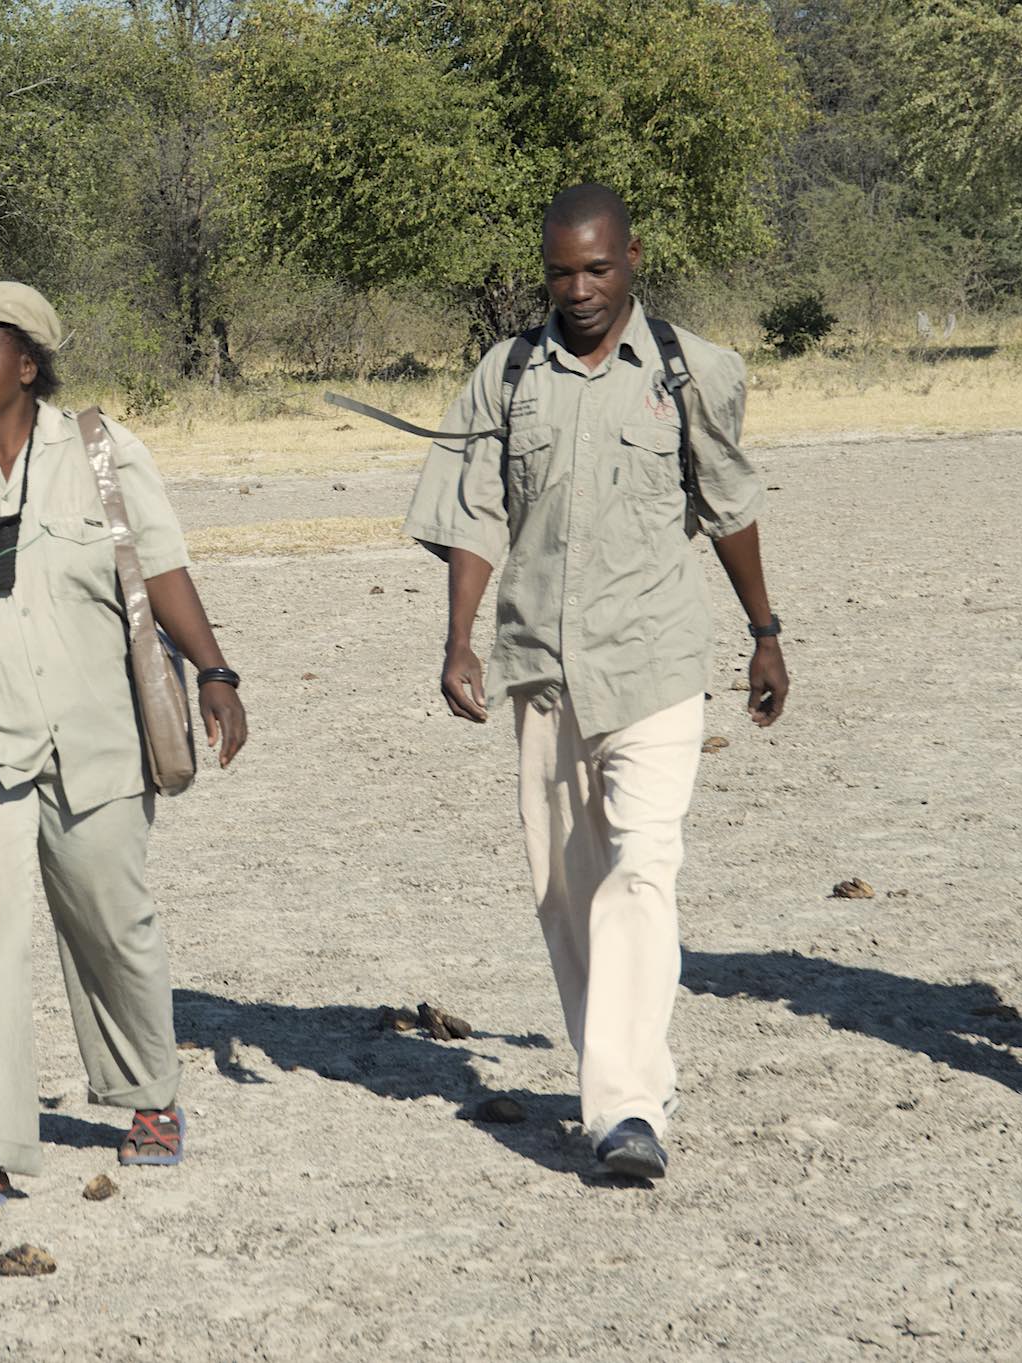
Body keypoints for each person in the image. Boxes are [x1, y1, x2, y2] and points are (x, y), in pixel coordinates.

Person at [402, 185, 787, 1182]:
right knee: (564, 892)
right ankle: (630, 1077)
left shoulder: (689, 370)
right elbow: (476, 514)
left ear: (633, 258)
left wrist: (765, 631)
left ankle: (623, 1111)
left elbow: (731, 503)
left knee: (640, 871)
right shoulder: (508, 375)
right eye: (561, 271)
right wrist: (459, 641)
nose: (578, 289)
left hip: (654, 665)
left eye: (598, 269)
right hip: (539, 669)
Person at [0, 281, 249, 1227]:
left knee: (110, 918)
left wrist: (214, 670)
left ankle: (147, 1092)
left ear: (28, 366)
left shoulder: (103, 454)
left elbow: (162, 569)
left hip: (94, 733)